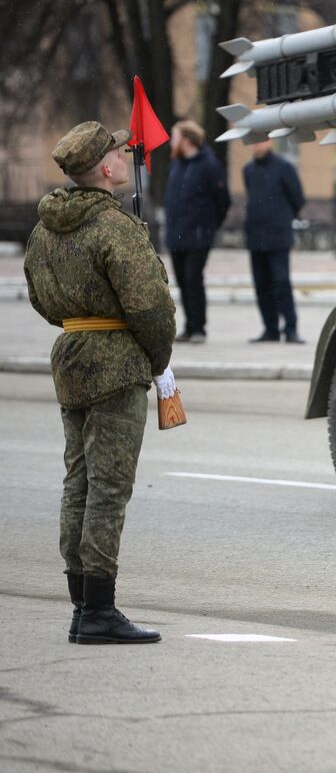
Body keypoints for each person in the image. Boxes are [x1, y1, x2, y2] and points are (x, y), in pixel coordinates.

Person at [24, 121, 176, 644]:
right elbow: (151, 308)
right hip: (117, 364)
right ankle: (99, 612)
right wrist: (159, 358)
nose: (121, 154)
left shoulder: (45, 230)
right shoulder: (114, 227)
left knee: (79, 482)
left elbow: (43, 301)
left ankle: (80, 606)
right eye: (116, 151)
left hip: (71, 357)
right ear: (108, 167)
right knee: (109, 488)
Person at [163, 120, 230, 343]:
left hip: (199, 235)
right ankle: (189, 326)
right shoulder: (177, 165)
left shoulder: (209, 165)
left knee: (193, 279)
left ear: (187, 140)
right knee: (182, 281)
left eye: (175, 137)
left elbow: (223, 201)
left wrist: (209, 226)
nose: (172, 142)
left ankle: (199, 328)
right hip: (177, 234)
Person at [242, 139, 306, 343]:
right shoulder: (248, 170)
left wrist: (282, 218)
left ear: (270, 141)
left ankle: (291, 328)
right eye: (254, 140)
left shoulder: (284, 167)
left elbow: (298, 198)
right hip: (255, 237)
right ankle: (270, 329)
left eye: (261, 140)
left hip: (278, 237)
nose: (257, 145)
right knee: (261, 284)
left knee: (281, 282)